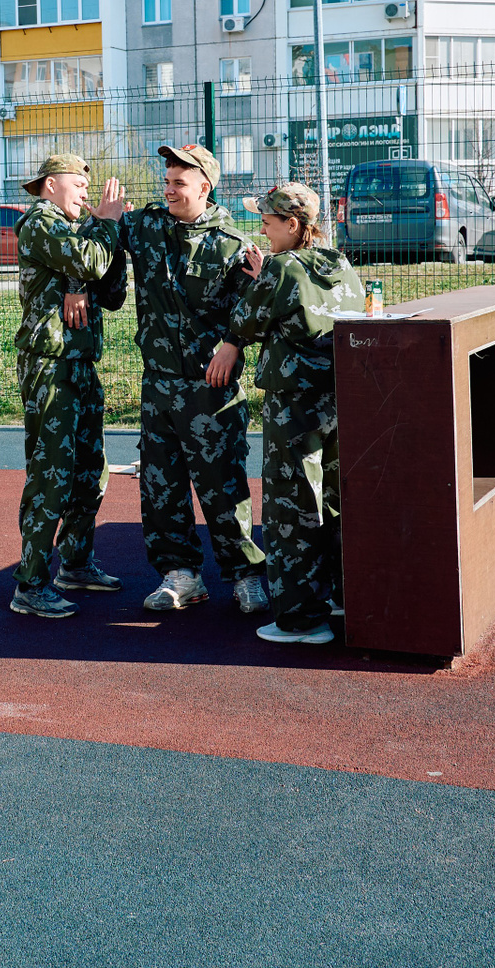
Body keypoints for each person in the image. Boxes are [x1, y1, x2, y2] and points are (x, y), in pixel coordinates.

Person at [207, 183, 364, 645]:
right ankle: (340, 594)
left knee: (290, 505)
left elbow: (247, 320)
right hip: (336, 399)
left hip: (293, 403)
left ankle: (301, 619)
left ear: (292, 225)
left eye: (268, 223)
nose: (262, 232)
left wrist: (264, 279)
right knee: (333, 500)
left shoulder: (280, 267)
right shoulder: (339, 263)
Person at [117, 144, 270, 614]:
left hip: (211, 390)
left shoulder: (232, 245)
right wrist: (77, 284)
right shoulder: (145, 227)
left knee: (223, 488)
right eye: (166, 181)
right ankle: (180, 575)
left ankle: (245, 575)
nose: (168, 190)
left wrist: (234, 342)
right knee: (160, 488)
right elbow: (93, 247)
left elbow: (257, 308)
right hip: (159, 386)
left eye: (178, 183)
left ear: (204, 188)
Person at [10, 153, 129, 617]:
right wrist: (106, 225)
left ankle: (76, 563)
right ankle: (30, 584)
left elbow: (112, 292)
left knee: (90, 471)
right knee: (52, 475)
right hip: (51, 365)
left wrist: (101, 243)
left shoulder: (76, 229)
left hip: (80, 363)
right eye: (78, 184)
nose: (85, 193)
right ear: (51, 185)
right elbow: (89, 260)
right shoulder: (41, 222)